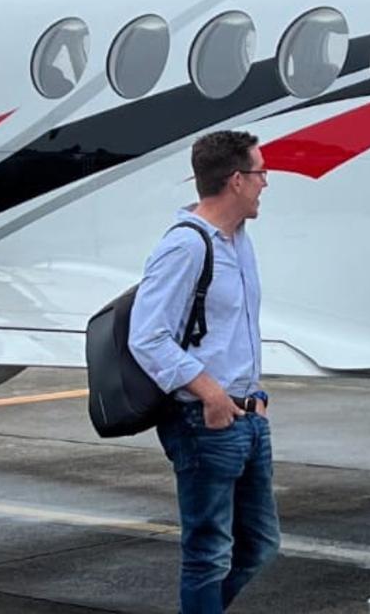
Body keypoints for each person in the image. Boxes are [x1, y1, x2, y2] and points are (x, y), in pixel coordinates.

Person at [129, 130, 279, 613]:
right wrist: (212, 393)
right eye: (259, 172)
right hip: (205, 419)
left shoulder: (239, 241)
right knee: (208, 555)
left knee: (260, 545)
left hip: (247, 417)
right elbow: (147, 335)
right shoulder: (186, 246)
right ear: (236, 180)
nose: (266, 182)